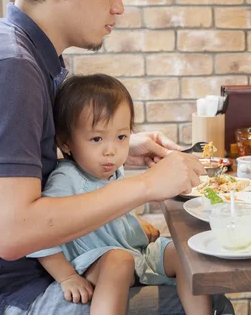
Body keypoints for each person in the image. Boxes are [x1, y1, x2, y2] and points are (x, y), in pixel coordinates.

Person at [0, 0, 233, 315]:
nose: (119, 5)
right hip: (16, 296)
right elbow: (11, 230)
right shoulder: (12, 68)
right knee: (211, 296)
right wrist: (147, 186)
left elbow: (20, 167)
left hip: (35, 278)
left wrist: (113, 148)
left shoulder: (18, 50)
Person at [26, 74, 211, 315]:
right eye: (96, 138)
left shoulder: (113, 170)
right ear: (66, 142)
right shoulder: (67, 178)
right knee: (119, 261)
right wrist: (67, 276)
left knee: (185, 253)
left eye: (121, 137)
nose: (111, 150)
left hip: (135, 253)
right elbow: (38, 235)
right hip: (94, 262)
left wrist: (136, 223)